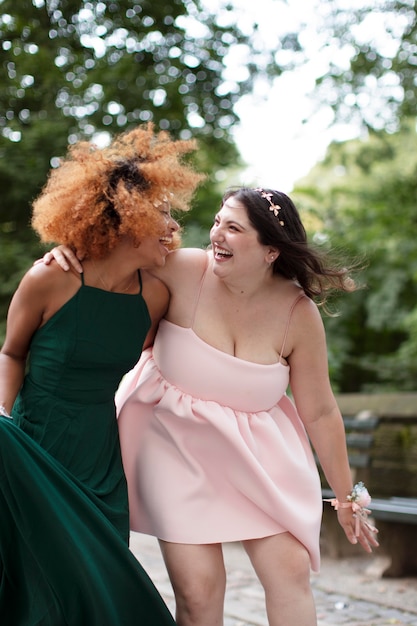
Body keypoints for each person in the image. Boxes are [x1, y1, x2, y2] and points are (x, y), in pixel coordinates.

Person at [46, 187, 379, 626]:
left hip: (259, 460)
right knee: (199, 590)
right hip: (172, 449)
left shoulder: (299, 314)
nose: (216, 233)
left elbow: (319, 411)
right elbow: (113, 267)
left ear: (270, 251)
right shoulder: (183, 269)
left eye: (234, 228)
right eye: (219, 221)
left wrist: (346, 496)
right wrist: (69, 253)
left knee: (290, 570)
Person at [0, 123, 204, 625]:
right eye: (161, 214)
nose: (172, 227)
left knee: (100, 579)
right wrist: (2, 419)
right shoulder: (50, 277)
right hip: (34, 445)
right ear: (128, 220)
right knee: (40, 578)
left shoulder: (154, 297)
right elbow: (10, 354)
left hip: (101, 460)